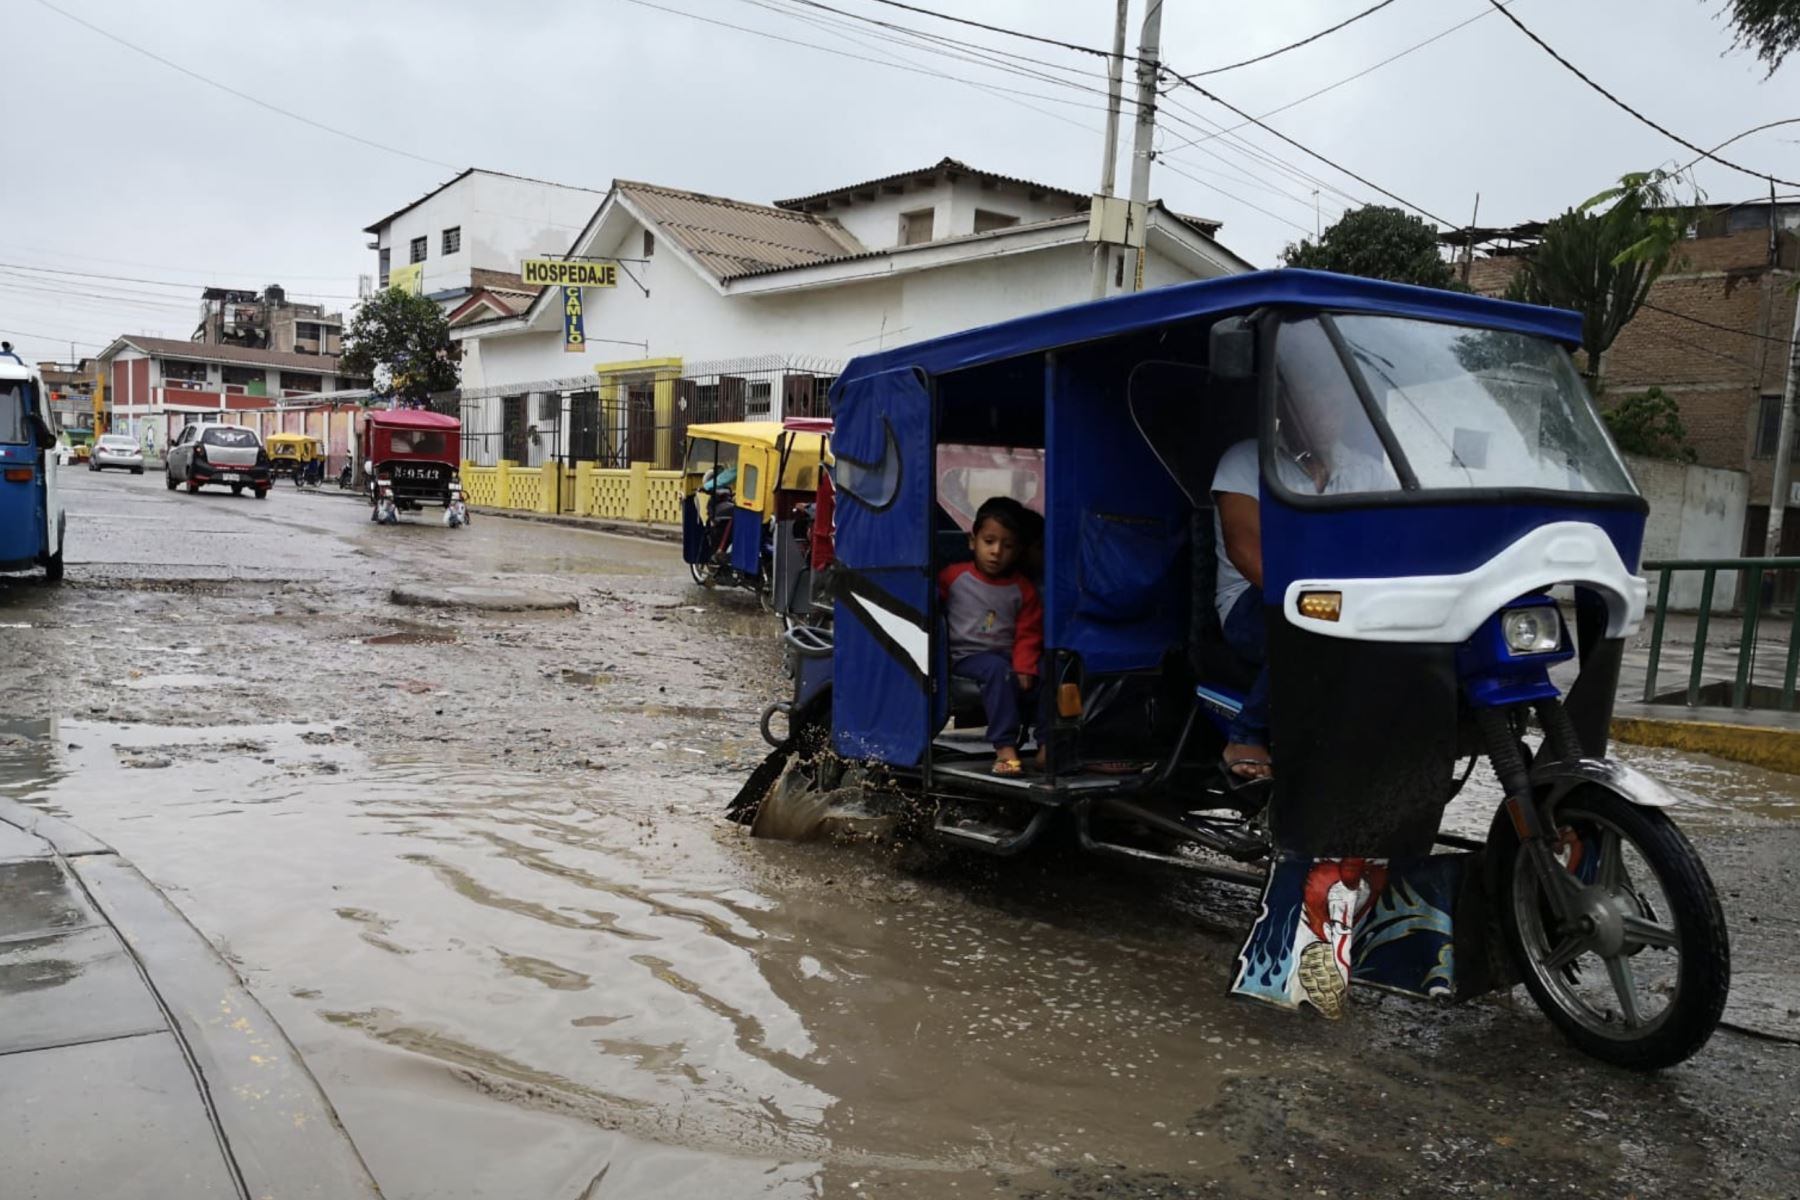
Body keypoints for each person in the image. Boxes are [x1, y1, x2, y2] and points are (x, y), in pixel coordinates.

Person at [1213, 320, 1400, 783]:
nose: (1328, 406)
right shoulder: (1244, 461)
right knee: (1318, 621)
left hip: (1351, 603)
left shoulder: (1367, 473)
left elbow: (1394, 542)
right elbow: (1244, 551)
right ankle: (1246, 733)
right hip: (1253, 603)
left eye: (1336, 395)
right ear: (1283, 402)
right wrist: (1317, 603)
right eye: (1313, 393)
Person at [938, 496, 1043, 776]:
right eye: (989, 541)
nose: (996, 552)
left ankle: (1049, 743)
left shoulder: (1023, 589)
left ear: (1018, 550)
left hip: (1007, 658)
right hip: (965, 658)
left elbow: (1028, 633)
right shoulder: (952, 577)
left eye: (1007, 546)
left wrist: (1025, 666)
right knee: (998, 670)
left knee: (1049, 669)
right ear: (973, 541)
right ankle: (1005, 748)